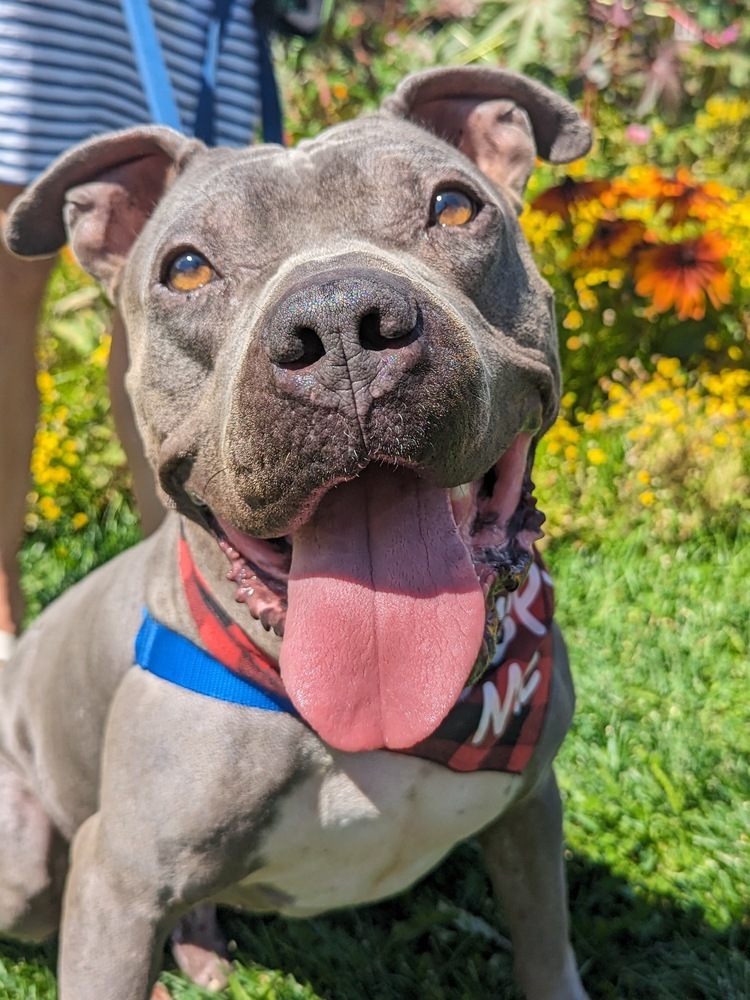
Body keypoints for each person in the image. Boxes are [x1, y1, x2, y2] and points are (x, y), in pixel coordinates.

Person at [0, 0, 308, 657]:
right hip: (46, 18)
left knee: (181, 284)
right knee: (8, 274)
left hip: (192, 15)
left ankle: (187, 585)